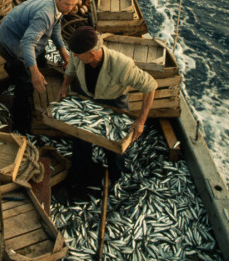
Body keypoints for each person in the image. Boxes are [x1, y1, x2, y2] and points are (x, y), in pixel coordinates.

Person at [57, 25, 158, 191]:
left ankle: (116, 176)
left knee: (113, 144)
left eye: (77, 54)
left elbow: (151, 86)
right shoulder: (78, 55)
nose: (74, 56)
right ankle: (82, 173)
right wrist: (64, 87)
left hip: (113, 102)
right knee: (81, 137)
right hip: (87, 97)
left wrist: (141, 121)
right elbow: (71, 70)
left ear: (92, 53)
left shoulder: (122, 65)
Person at [0, 0, 79, 133]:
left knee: (40, 59)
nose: (70, 8)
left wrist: (64, 54)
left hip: (22, 35)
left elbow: (55, 28)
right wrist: (34, 73)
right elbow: (27, 43)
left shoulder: (58, 7)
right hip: (10, 40)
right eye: (67, 4)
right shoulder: (45, 14)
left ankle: (15, 71)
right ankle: (22, 126)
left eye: (73, 5)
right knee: (26, 83)